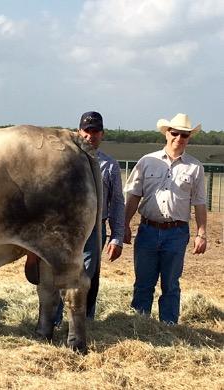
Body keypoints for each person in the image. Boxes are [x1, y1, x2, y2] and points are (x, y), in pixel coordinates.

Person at [123, 113, 207, 324]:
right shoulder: (146, 162)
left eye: (184, 135)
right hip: (147, 230)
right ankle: (139, 326)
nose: (179, 138)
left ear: (189, 138)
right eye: (175, 133)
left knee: (171, 284)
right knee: (143, 282)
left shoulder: (195, 167)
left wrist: (202, 233)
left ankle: (169, 327)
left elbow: (199, 203)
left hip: (177, 233)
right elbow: (133, 196)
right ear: (167, 134)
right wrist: (123, 224)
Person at [54, 111, 125, 325]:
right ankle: (56, 319)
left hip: (95, 227)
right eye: (87, 131)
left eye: (95, 131)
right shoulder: (65, 162)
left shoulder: (110, 165)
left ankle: (84, 321)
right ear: (79, 132)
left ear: (102, 134)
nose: (90, 136)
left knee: (87, 275)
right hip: (67, 228)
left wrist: (117, 236)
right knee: (61, 273)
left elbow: (118, 202)